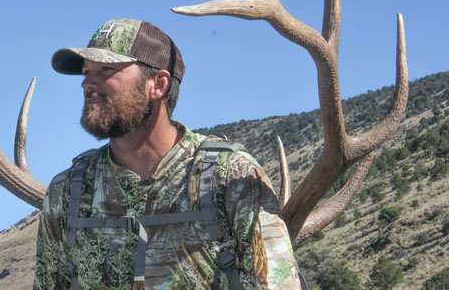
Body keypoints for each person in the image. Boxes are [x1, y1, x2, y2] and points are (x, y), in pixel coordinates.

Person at [34, 18, 302, 289]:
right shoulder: (67, 192)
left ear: (158, 84)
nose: (87, 83)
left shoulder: (232, 178)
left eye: (105, 69)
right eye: (85, 72)